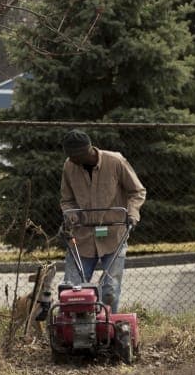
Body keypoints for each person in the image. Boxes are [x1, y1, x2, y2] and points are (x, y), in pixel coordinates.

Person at [58, 129, 146, 313]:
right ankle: (74, 330)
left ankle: (106, 328)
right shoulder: (69, 166)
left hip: (113, 235)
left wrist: (132, 213)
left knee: (110, 291)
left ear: (84, 152)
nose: (69, 160)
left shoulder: (115, 161)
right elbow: (66, 200)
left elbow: (137, 191)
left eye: (72, 156)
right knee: (72, 288)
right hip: (82, 237)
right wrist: (71, 215)